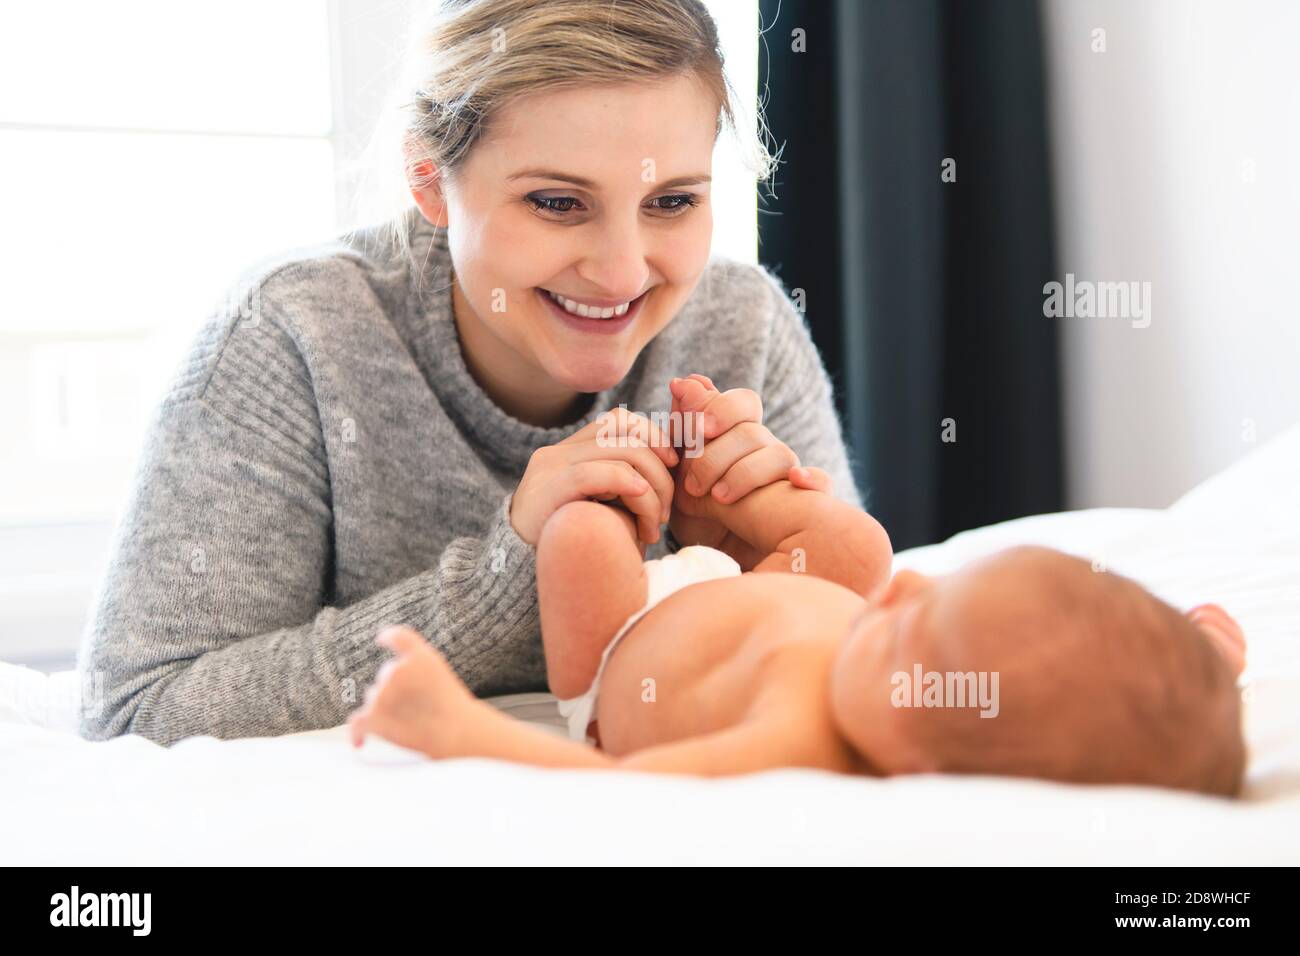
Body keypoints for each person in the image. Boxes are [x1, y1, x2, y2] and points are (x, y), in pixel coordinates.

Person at [78, 0, 860, 745]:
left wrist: (760, 580)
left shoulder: (744, 321)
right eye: (557, 202)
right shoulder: (292, 334)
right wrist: (507, 578)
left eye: (672, 202)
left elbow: (866, 650)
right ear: (428, 179)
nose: (622, 273)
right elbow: (138, 707)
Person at [349, 378, 1247, 798]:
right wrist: (1189, 655)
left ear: (919, 771)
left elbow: (619, 788)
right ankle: (722, 481)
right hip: (753, 581)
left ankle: (640, 488)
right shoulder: (908, 675)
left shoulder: (793, 738)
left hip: (631, 639)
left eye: (909, 638)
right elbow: (1102, 694)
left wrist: (457, 729)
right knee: (860, 544)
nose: (899, 601)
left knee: (583, 529)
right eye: (938, 591)